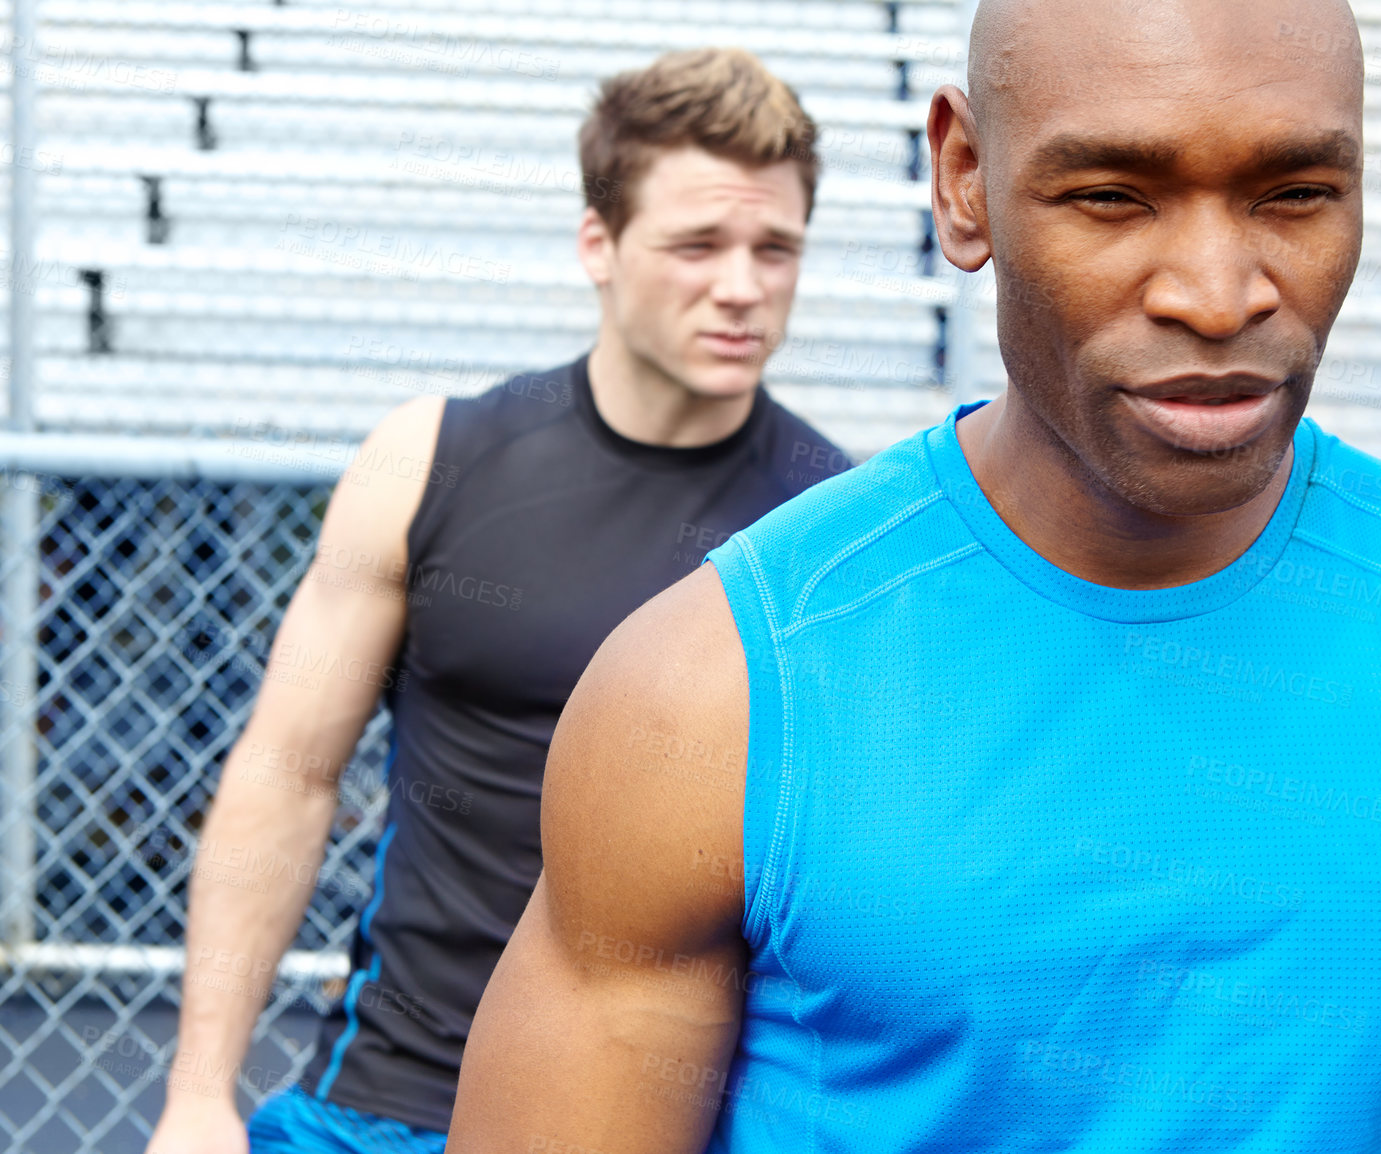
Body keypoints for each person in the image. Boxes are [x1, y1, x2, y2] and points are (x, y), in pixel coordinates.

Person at [446, 1, 1381, 1150]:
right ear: (964, 181)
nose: (1216, 293)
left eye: (1294, 193)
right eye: (1112, 198)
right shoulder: (710, 695)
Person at [146, 47, 853, 1154]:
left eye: (776, 249)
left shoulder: (826, 528)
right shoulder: (431, 459)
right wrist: (198, 1095)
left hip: (657, 1120)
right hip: (390, 1097)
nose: (742, 285)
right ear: (598, 246)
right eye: (697, 244)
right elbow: (287, 772)